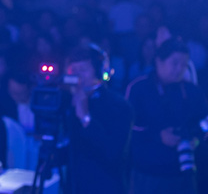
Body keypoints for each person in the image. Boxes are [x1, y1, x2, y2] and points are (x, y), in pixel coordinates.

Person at [126, 38, 208, 194]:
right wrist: (158, 136)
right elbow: (127, 129)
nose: (179, 69)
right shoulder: (139, 88)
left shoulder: (193, 91)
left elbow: (205, 123)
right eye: (175, 63)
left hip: (185, 172)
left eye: (184, 64)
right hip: (148, 174)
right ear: (158, 61)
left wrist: (197, 139)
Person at [65, 46, 133, 194]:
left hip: (105, 186)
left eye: (83, 70)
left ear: (99, 71)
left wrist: (85, 118)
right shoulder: (64, 102)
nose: (77, 76)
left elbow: (113, 153)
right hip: (73, 186)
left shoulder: (118, 105)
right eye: (73, 70)